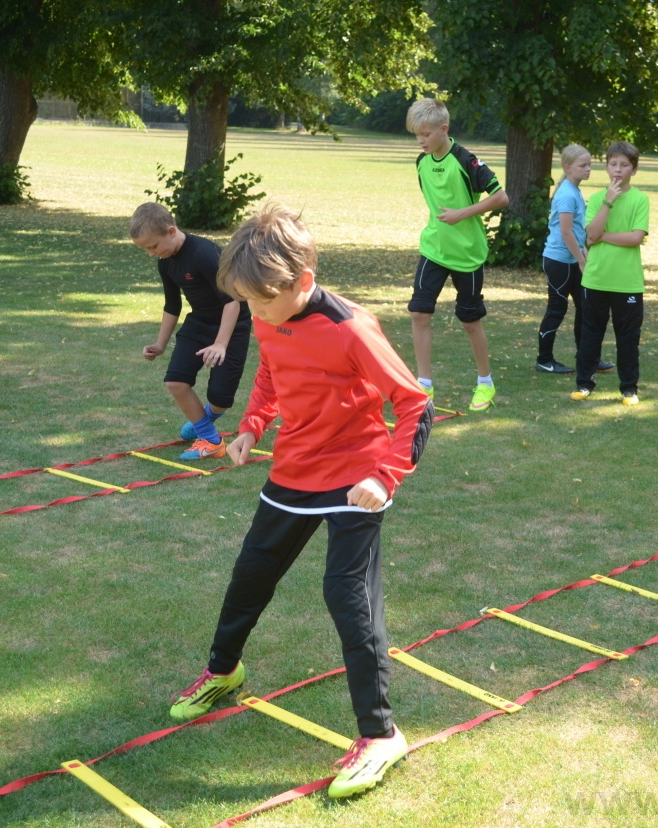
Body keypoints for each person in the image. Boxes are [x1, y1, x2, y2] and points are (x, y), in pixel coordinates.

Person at [168, 205, 433, 800]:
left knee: (347, 595)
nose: (254, 315)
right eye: (248, 303)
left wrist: (386, 477)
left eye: (261, 304)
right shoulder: (269, 311)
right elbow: (273, 370)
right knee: (251, 574)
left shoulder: (352, 327)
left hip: (357, 477)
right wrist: (253, 424)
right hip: (294, 470)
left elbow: (415, 405)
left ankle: (381, 734)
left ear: (303, 283)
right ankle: (223, 672)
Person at [405, 98, 509, 411]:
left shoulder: (467, 160)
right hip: (434, 249)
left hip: (467, 254)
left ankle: (485, 384)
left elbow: (501, 197)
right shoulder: (421, 162)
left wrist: (463, 213)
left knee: (470, 320)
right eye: (416, 135)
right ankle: (424, 387)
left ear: (443, 129)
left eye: (425, 134)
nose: (420, 140)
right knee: (419, 312)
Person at [130, 203, 251, 460]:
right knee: (175, 381)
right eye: (146, 249)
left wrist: (220, 344)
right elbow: (172, 305)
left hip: (232, 324)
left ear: (171, 231)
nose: (151, 254)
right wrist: (160, 345)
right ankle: (210, 439)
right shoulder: (166, 263)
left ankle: (205, 417)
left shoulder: (204, 254)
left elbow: (233, 302)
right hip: (198, 323)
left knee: (220, 399)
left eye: (153, 246)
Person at [571, 141, 650, 405]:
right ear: (606, 167)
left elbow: (636, 237)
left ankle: (629, 388)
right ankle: (584, 384)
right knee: (590, 334)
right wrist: (608, 201)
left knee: (627, 339)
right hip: (596, 279)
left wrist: (603, 236)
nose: (618, 170)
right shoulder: (595, 199)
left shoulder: (640, 199)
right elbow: (590, 235)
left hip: (627, 283)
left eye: (624, 165)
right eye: (613, 164)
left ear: (634, 169)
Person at [535, 143, 613, 375]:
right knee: (557, 310)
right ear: (568, 167)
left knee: (586, 308)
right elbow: (566, 232)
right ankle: (544, 360)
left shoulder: (574, 190)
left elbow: (576, 231)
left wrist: (583, 253)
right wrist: (581, 259)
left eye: (589, 164)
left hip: (572, 260)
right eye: (583, 165)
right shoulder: (567, 194)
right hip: (560, 261)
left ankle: (588, 358)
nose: (588, 169)